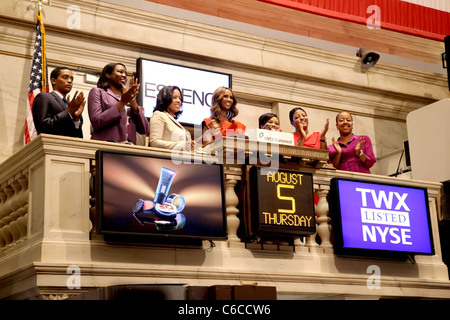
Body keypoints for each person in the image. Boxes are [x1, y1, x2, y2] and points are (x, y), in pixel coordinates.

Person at [88, 62, 149, 144]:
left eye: (126, 74)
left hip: (128, 149)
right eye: (120, 72)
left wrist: (133, 101)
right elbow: (96, 122)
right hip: (106, 146)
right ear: (108, 74)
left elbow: (144, 129)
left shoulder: (128, 96)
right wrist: (122, 103)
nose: (124, 75)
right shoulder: (98, 92)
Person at [32, 66, 85, 138]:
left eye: (71, 79)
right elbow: (43, 127)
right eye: (65, 77)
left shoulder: (72, 105)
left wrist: (76, 119)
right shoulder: (44, 97)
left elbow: (78, 136)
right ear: (54, 81)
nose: (70, 81)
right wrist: (68, 112)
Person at [149, 85, 193, 150]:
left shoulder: (174, 121)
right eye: (174, 97)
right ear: (165, 99)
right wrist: (181, 145)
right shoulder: (158, 115)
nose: (178, 101)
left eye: (180, 98)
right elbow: (154, 143)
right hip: (163, 159)